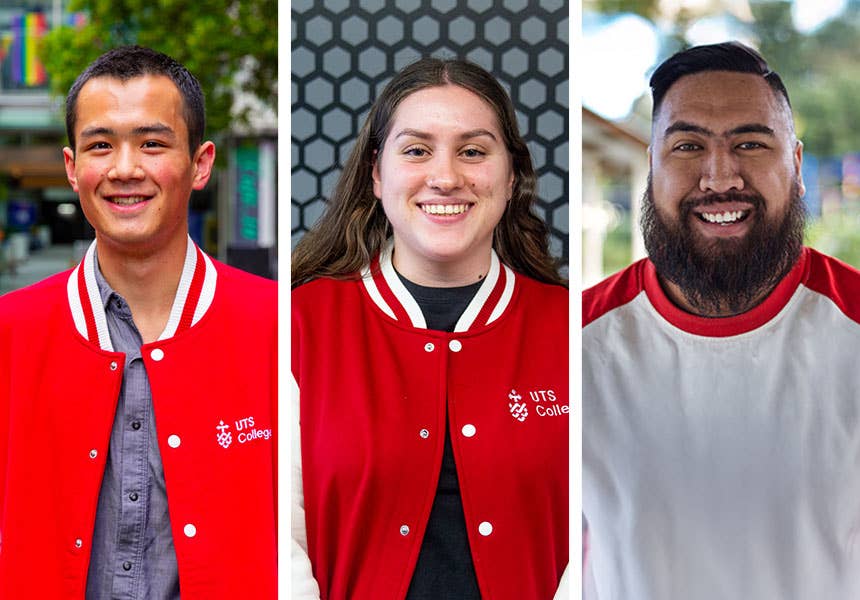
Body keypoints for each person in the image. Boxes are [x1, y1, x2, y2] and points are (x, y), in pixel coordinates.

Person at [583, 41, 860, 598]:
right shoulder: (575, 347)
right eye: (688, 146)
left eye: (750, 143)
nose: (719, 177)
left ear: (797, 165)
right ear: (652, 168)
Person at [0, 46, 276, 598]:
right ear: (73, 169)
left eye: (152, 143)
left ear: (200, 164)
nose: (125, 170)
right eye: (100, 146)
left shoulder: (277, 327)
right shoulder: (11, 332)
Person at [292, 57, 569, 600]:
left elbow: (594, 534)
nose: (445, 177)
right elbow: (280, 537)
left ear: (510, 175)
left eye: (473, 151)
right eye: (417, 150)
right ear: (376, 173)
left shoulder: (571, 330)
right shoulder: (300, 325)